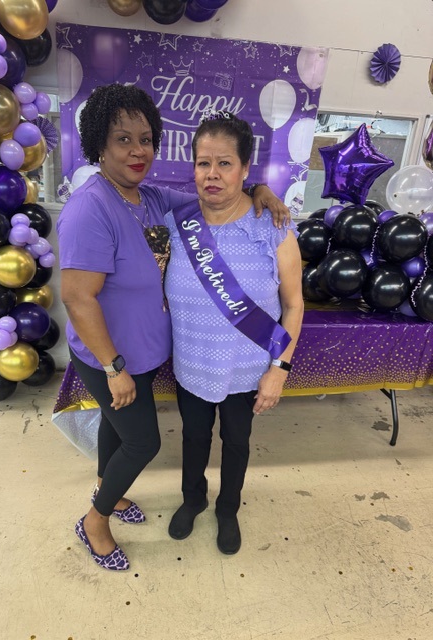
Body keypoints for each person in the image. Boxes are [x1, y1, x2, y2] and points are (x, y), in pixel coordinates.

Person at [56, 84, 290, 571]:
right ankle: (95, 522)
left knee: (118, 431)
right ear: (99, 144)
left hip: (143, 353)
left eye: (145, 139)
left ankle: (112, 492)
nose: (137, 150)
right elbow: (77, 298)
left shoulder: (149, 198)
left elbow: (216, 194)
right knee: (143, 441)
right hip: (110, 356)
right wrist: (113, 367)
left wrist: (260, 191)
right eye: (123, 139)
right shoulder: (89, 207)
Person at [165, 111, 304, 555]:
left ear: (245, 169)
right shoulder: (176, 222)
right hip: (191, 363)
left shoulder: (274, 226)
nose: (212, 174)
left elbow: (294, 305)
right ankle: (193, 499)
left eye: (225, 163)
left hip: (247, 369)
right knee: (193, 437)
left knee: (237, 442)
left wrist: (279, 369)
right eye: (203, 163)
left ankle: (228, 509)